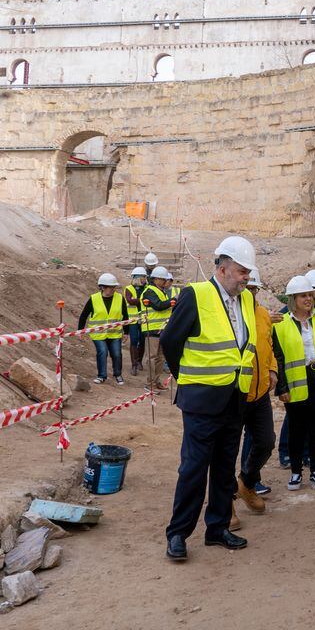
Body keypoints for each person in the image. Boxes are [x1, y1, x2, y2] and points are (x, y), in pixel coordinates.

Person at [160, 236, 259, 561]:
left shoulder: (245, 301)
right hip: (201, 400)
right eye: (242, 271)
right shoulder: (196, 294)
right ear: (222, 268)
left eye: (247, 272)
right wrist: (186, 377)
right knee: (193, 469)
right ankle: (178, 534)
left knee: (223, 468)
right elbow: (171, 341)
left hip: (234, 398)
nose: (246, 278)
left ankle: (217, 528)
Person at [273, 275, 315, 491]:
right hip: (296, 381)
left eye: (310, 295)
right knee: (296, 429)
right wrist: (281, 388)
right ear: (293, 298)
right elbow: (279, 357)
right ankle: (295, 473)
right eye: (303, 295)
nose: (309, 299)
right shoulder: (281, 323)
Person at [234, 268, 278, 515]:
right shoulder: (230, 313)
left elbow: (268, 346)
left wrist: (272, 370)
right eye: (248, 288)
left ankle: (246, 483)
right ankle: (225, 502)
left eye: (254, 289)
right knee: (226, 450)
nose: (250, 292)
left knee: (265, 441)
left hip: (259, 392)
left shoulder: (263, 314)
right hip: (234, 393)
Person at [77, 273, 129, 386]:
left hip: (114, 334)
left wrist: (127, 332)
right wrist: (80, 330)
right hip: (98, 334)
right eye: (110, 287)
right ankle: (101, 376)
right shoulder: (94, 299)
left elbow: (125, 316)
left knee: (116, 354)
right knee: (102, 352)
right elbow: (84, 315)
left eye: (114, 287)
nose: (113, 289)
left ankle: (118, 374)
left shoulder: (120, 298)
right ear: (103, 287)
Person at [140, 266, 175, 394]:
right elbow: (158, 306)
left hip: (162, 329)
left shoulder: (162, 291)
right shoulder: (149, 291)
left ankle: (156, 381)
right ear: (155, 279)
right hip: (152, 329)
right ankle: (149, 384)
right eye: (162, 279)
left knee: (160, 357)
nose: (165, 281)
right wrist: (172, 301)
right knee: (152, 357)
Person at [122, 267, 148, 377]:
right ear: (137, 277)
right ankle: (133, 365)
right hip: (132, 320)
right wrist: (142, 301)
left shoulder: (147, 288)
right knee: (134, 341)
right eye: (143, 277)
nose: (145, 279)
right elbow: (129, 300)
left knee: (142, 341)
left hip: (143, 319)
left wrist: (136, 300)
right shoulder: (129, 289)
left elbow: (138, 301)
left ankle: (139, 362)